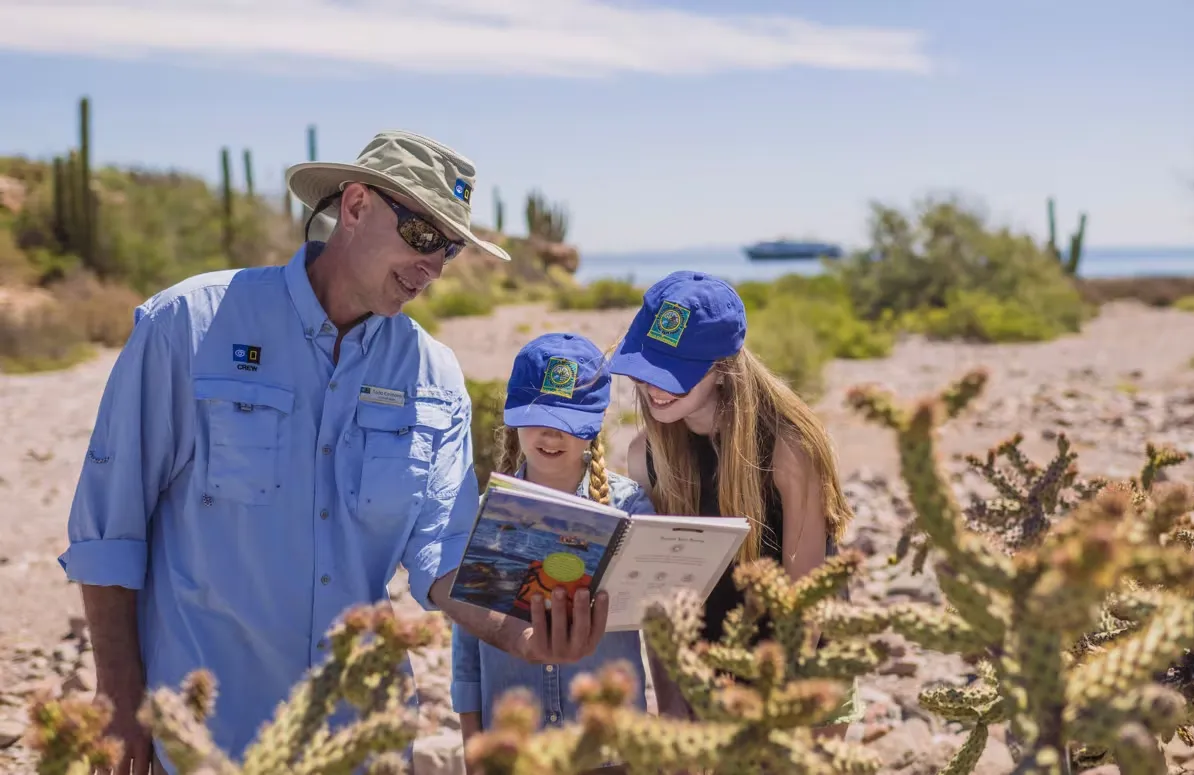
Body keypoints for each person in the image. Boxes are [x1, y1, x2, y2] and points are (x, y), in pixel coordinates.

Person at [59, 130, 608, 775]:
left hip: (358, 741)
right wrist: (119, 694)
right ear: (354, 206)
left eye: (450, 248)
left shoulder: (436, 375)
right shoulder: (188, 325)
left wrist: (520, 630)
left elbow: (444, 555)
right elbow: (109, 528)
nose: (434, 267)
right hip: (202, 737)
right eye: (424, 236)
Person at [605, 270, 859, 733]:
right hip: (707, 677)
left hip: (804, 681)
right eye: (646, 368)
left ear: (721, 369)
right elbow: (661, 597)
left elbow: (806, 604)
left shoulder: (789, 447)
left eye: (674, 374)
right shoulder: (645, 455)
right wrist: (675, 709)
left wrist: (769, 710)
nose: (653, 388)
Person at [451, 332, 651, 775]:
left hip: (611, 751)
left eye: (567, 420)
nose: (550, 434)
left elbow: (661, 624)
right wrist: (473, 749)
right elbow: (466, 647)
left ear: (594, 425)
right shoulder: (485, 513)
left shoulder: (632, 507)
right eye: (536, 417)